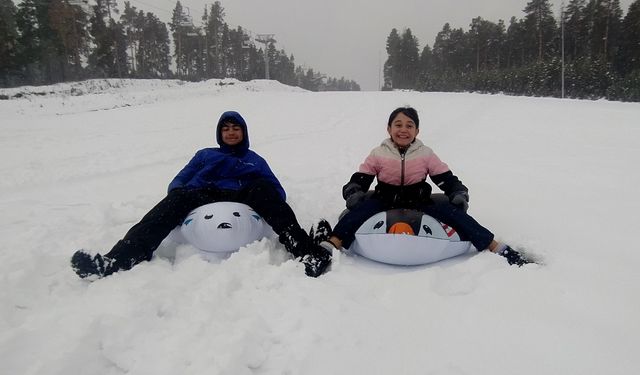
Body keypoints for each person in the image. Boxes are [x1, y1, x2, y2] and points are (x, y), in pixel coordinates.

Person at [71, 111, 332, 279]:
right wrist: (179, 194)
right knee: (171, 203)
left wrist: (260, 191)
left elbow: (277, 189)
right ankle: (118, 259)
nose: (230, 132)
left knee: (263, 191)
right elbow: (181, 178)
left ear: (243, 133)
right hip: (204, 192)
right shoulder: (205, 154)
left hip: (242, 194)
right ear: (220, 133)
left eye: (236, 128)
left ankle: (306, 252)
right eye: (226, 128)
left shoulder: (254, 160)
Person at [318, 106, 530, 266]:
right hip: (384, 198)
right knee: (359, 213)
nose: (403, 130)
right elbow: (362, 177)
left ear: (417, 131)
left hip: (419, 199)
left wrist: (458, 192)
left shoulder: (425, 153)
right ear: (389, 129)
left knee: (455, 215)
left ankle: (494, 246)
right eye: (398, 125)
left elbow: (445, 177)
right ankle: (333, 243)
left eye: (409, 125)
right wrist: (354, 190)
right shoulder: (379, 153)